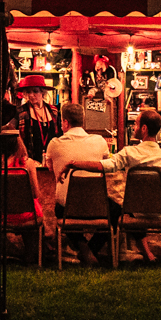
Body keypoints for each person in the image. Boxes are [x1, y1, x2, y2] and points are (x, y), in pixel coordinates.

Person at [60, 107, 161, 260]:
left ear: (144, 128)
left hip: (135, 212)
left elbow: (103, 166)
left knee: (118, 208)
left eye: (136, 123)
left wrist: (74, 164)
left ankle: (92, 251)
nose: (133, 126)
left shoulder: (129, 153)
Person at [43, 104, 113, 264]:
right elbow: (106, 163)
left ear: (66, 123)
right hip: (97, 207)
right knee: (116, 211)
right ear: (83, 121)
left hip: (67, 208)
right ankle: (92, 248)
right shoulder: (100, 141)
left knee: (62, 208)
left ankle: (84, 248)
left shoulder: (54, 144)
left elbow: (49, 167)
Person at [13, 74, 63, 164]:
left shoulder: (53, 111)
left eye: (35, 91)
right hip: (29, 161)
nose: (31, 95)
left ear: (43, 92)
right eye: (28, 92)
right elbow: (12, 133)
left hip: (52, 161)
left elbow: (60, 134)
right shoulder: (21, 112)